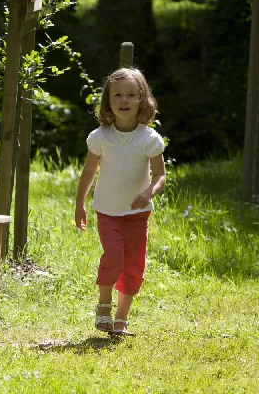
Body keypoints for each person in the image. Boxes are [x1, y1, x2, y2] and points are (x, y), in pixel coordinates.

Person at [75, 67, 166, 336]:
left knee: (134, 267)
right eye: (117, 95)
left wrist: (149, 192)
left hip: (138, 215)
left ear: (142, 100)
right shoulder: (100, 137)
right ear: (108, 100)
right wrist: (79, 204)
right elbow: (89, 171)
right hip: (108, 212)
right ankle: (103, 305)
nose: (124, 100)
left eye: (131, 95)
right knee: (114, 258)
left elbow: (160, 175)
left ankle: (121, 318)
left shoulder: (149, 138)